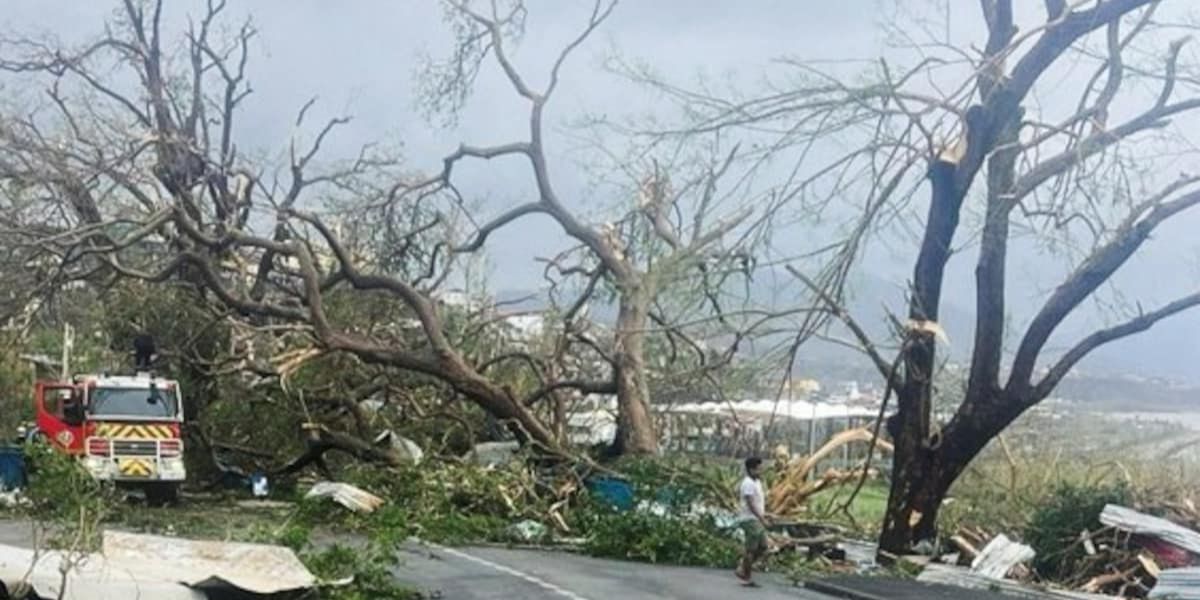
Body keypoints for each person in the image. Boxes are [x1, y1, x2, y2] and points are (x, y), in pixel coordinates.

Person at [735, 456, 769, 586]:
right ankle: (747, 576)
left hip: (756, 518)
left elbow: (759, 503)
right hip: (749, 519)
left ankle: (743, 567)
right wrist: (762, 518)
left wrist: (765, 515)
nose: (761, 471)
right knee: (751, 549)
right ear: (751, 469)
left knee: (764, 547)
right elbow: (750, 504)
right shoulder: (747, 483)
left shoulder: (757, 482)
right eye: (758, 469)